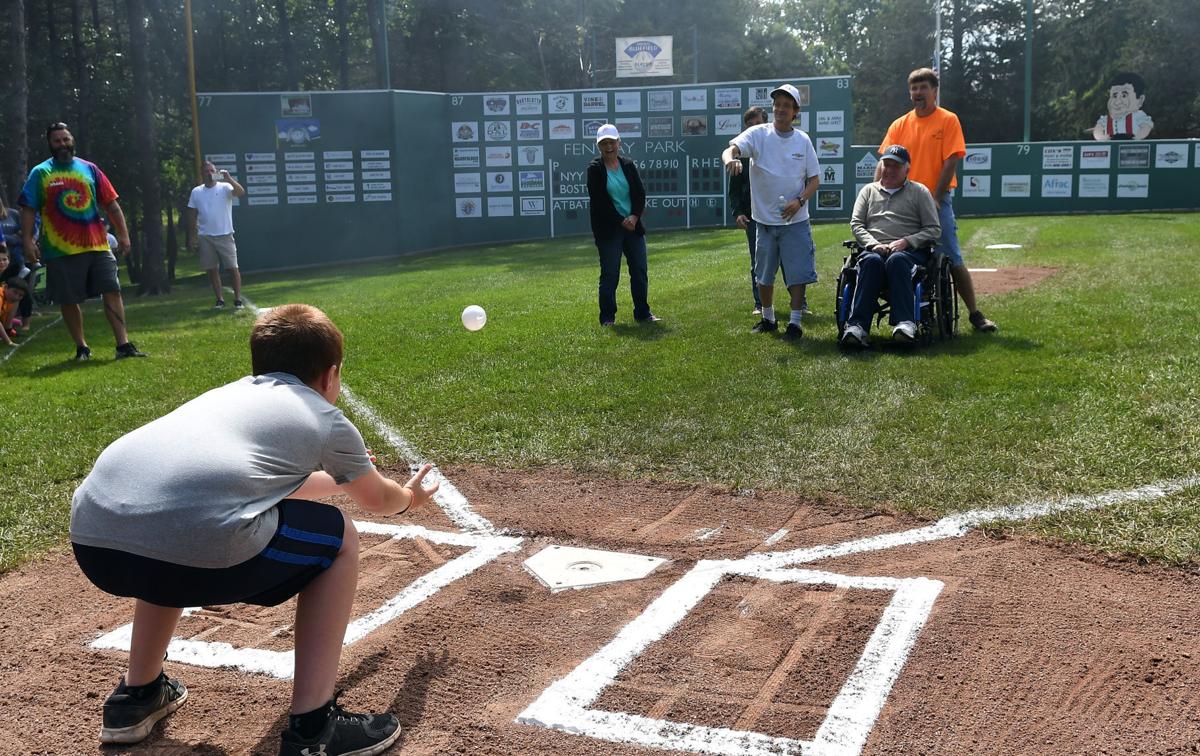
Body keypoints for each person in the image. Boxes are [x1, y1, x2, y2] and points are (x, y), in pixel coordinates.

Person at [70, 303, 439, 755]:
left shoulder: (224, 398)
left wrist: (342, 481)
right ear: (331, 375)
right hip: (193, 544)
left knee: (174, 524)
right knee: (339, 536)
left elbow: (248, 484)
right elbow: (380, 500)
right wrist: (410, 500)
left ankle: (137, 696)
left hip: (93, 540)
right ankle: (314, 728)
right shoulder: (324, 418)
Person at [879, 69, 998, 333]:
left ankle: (975, 314)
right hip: (901, 201)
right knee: (893, 251)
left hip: (936, 200)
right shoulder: (899, 125)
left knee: (951, 256)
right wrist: (877, 193)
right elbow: (884, 164)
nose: (918, 93)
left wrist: (935, 197)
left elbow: (951, 160)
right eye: (914, 88)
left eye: (923, 88)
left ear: (934, 91)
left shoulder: (947, 120)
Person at [19, 122, 147, 360]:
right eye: (57, 141)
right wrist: (27, 240)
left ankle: (123, 345)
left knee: (112, 290)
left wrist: (124, 234)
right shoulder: (41, 173)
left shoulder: (90, 169)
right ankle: (82, 347)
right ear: (50, 144)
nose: (62, 144)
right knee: (68, 300)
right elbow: (28, 208)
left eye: (66, 139)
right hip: (61, 250)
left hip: (98, 244)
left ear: (72, 140)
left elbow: (111, 203)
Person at [722, 84, 821, 342]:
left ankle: (795, 322)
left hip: (795, 221)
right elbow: (730, 149)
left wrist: (799, 202)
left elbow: (814, 179)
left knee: (797, 273)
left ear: (795, 112)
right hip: (763, 222)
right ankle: (768, 319)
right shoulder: (757, 134)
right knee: (763, 274)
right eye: (777, 104)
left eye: (786, 106)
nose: (780, 109)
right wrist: (731, 159)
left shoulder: (803, 140)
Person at [841, 145, 941, 348]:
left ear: (907, 169)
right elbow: (856, 224)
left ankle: (905, 324)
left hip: (909, 253)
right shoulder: (868, 191)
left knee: (897, 260)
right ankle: (857, 327)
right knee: (870, 261)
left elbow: (933, 229)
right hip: (874, 251)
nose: (889, 169)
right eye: (886, 164)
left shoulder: (920, 192)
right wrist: (873, 244)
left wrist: (907, 241)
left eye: (896, 166)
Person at [587, 123, 660, 326]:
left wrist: (634, 217)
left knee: (639, 270)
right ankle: (607, 318)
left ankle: (643, 313)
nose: (608, 146)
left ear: (619, 142)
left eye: (612, 142)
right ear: (598, 146)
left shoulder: (628, 164)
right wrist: (622, 221)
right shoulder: (594, 169)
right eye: (604, 143)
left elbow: (639, 193)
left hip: (633, 226)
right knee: (610, 274)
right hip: (609, 230)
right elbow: (600, 203)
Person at [187, 160, 247, 309]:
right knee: (212, 269)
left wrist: (229, 178)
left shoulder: (225, 187)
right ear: (202, 173)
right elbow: (192, 214)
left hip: (225, 234)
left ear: (216, 172)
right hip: (205, 236)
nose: (209, 174)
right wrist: (192, 236)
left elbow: (240, 192)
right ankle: (219, 300)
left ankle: (238, 300)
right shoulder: (196, 191)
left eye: (212, 171)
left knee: (233, 268)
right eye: (206, 171)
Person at [728, 106, 767, 315]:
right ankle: (759, 303)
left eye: (758, 124)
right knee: (757, 261)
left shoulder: (777, 146)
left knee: (789, 260)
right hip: (752, 217)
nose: (754, 128)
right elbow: (734, 190)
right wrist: (738, 212)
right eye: (750, 125)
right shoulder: (740, 153)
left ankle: (799, 303)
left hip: (780, 214)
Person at [1092, 72, 1153, 141]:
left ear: (1140, 100)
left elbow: (1145, 127)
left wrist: (1136, 138)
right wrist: (1103, 138)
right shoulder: (1105, 120)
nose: (1118, 101)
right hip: (1111, 148)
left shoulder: (1139, 116)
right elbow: (1097, 131)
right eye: (1114, 96)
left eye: (1124, 96)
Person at [0, 276, 30, 345]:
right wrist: (9, 342)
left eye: (20, 295)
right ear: (6, 287)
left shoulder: (9, 299)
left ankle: (9, 329)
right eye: (15, 292)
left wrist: (7, 329)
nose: (16, 297)